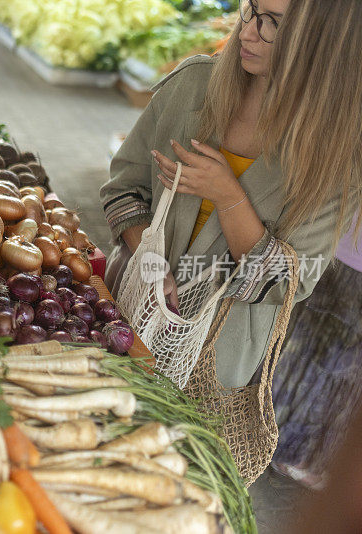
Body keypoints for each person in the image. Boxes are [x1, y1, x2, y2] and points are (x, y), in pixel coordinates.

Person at [100, 0, 362, 388]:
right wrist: (152, 263)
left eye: (272, 22)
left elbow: (287, 283)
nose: (248, 31)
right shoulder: (191, 85)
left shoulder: (336, 163)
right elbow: (123, 188)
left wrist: (228, 196)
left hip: (212, 365)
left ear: (320, 42)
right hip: (120, 317)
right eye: (251, 10)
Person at [271, 213, 362, 489]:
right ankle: (290, 451)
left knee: (308, 348)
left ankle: (276, 441)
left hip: (335, 242)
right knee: (330, 359)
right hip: (347, 253)